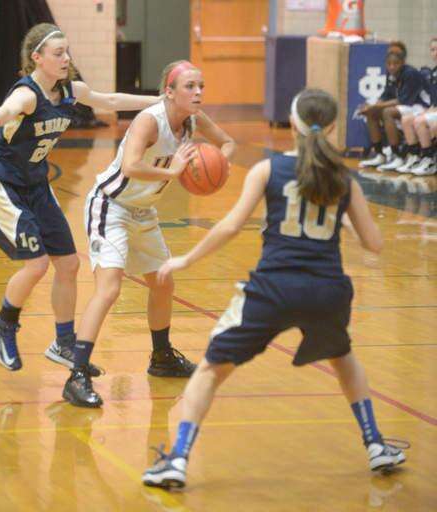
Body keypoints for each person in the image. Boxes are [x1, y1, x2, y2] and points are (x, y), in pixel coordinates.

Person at [142, 88, 407, 489]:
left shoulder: (268, 170)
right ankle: (376, 445)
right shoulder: (343, 178)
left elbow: (230, 226)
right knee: (344, 359)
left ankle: (177, 460)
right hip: (327, 290)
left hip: (274, 288)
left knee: (210, 370)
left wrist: (186, 259)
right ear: (331, 127)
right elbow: (375, 244)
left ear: (293, 123)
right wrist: (343, 221)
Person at [0, 23, 162, 374]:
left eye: (67, 51)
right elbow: (7, 110)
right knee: (37, 264)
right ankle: (4, 323)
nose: (66, 58)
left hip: (38, 186)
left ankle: (63, 343)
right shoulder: (28, 94)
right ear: (37, 58)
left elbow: (111, 101)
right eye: (58, 53)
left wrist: (160, 102)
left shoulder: (71, 90)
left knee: (69, 264)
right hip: (4, 188)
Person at [61, 60, 236, 408]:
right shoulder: (150, 120)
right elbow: (130, 165)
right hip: (110, 206)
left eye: (201, 86)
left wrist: (216, 164)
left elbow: (227, 142)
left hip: (143, 211)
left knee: (163, 282)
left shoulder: (194, 119)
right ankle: (76, 374)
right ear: (169, 92)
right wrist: (174, 172)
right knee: (109, 289)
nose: (198, 93)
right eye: (190, 86)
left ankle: (162, 357)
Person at [359, 51, 430, 171]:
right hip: (407, 106)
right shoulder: (391, 74)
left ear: (402, 63)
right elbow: (386, 95)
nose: (392, 66)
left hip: (421, 105)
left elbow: (403, 100)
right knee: (371, 113)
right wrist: (372, 107)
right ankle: (380, 154)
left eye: (395, 63)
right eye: (389, 64)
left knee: (387, 112)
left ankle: (397, 155)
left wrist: (376, 106)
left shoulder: (410, 73)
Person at [397, 37, 437, 175]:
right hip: (434, 110)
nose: (435, 52)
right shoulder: (434, 72)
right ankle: (414, 157)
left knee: (420, 121)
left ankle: (429, 159)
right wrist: (429, 110)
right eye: (432, 49)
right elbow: (434, 101)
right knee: (407, 119)